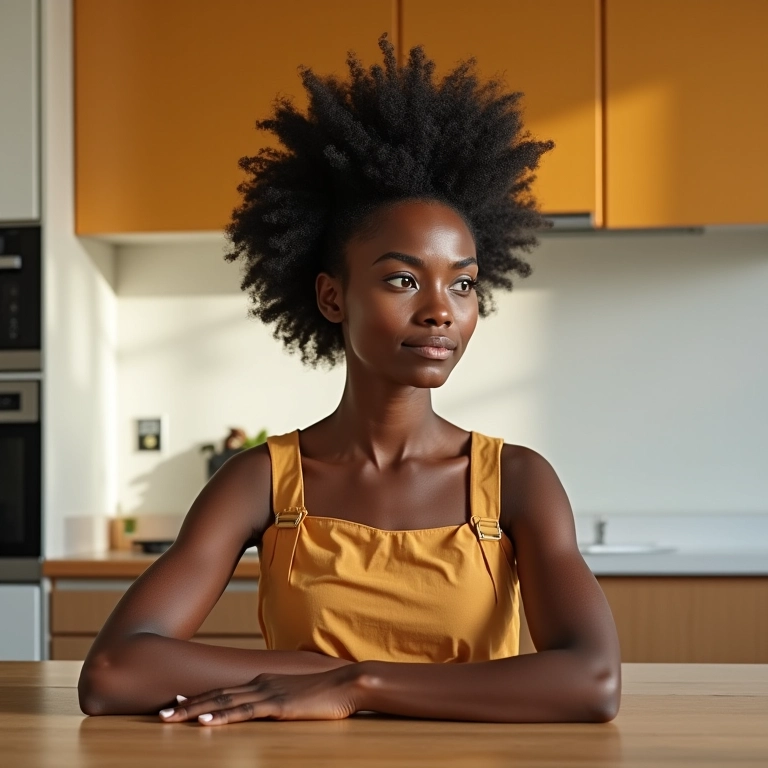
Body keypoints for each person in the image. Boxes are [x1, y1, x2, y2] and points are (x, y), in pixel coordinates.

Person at [78, 33, 621, 725]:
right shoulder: (261, 482)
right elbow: (116, 672)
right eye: (402, 279)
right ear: (333, 298)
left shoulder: (518, 480)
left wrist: (355, 683)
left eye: (463, 284)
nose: (439, 311)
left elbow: (591, 683)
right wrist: (320, 676)